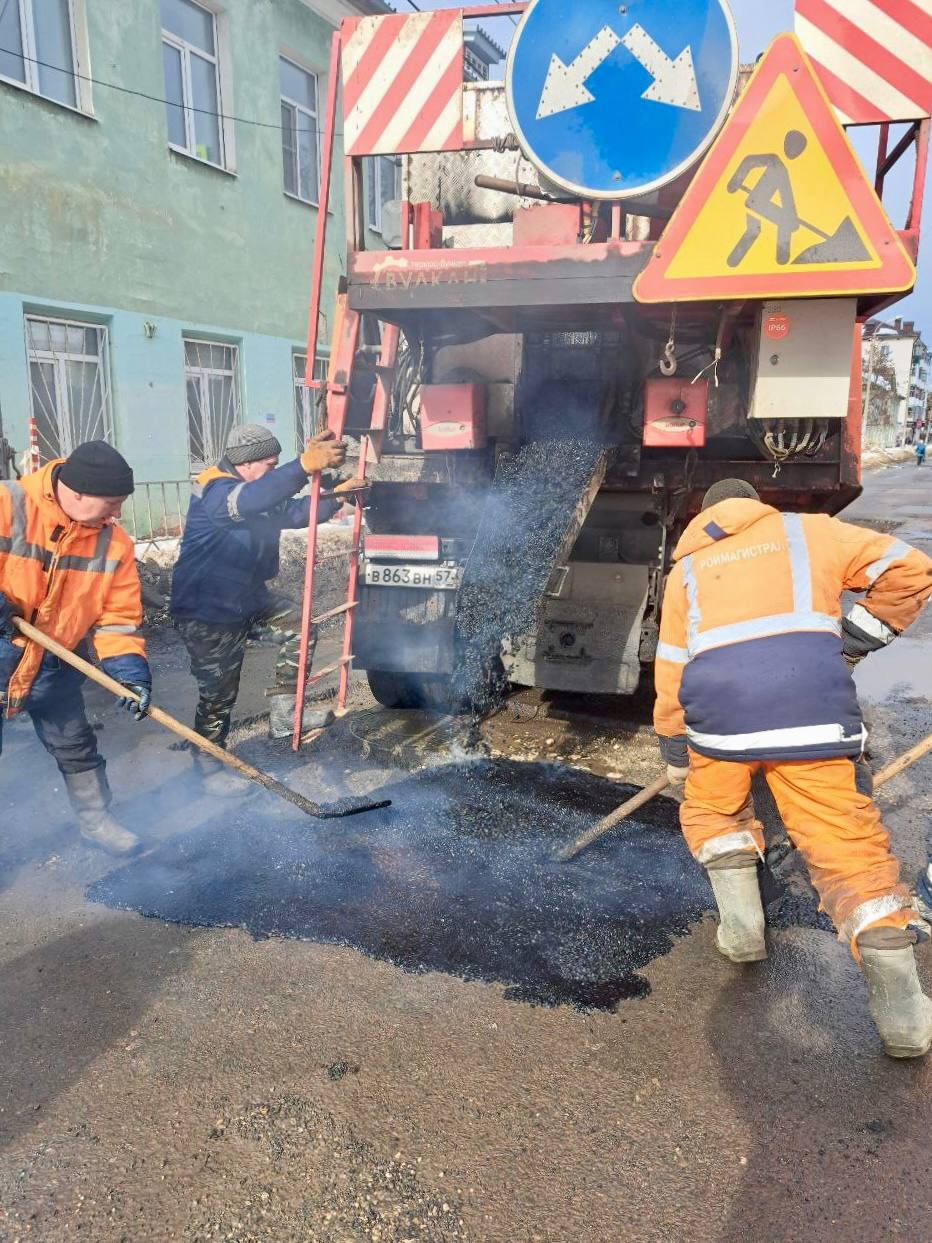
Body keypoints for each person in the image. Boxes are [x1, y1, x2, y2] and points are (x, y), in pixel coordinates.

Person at [654, 478, 932, 1058]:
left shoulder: (687, 571)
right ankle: (905, 1022)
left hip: (718, 722)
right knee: (846, 849)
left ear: (706, 518)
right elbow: (911, 570)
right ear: (756, 508)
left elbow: (673, 664)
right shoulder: (812, 533)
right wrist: (853, 641)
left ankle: (742, 935)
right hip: (810, 717)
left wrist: (676, 749)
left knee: (714, 814)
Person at [170, 422, 363, 794]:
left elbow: (292, 513)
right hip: (206, 608)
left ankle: (285, 715)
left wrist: (335, 496)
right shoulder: (216, 490)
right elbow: (251, 499)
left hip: (246, 597)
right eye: (270, 465)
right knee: (219, 694)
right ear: (246, 462)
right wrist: (302, 466)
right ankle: (208, 765)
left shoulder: (254, 493)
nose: (274, 471)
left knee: (299, 626)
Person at [0, 441, 151, 855]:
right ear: (78, 492)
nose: (116, 514)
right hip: (2, 652)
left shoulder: (114, 544)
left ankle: (96, 822)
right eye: (112, 503)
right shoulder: (9, 503)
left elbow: (118, 618)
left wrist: (129, 674)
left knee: (76, 747)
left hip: (54, 662)